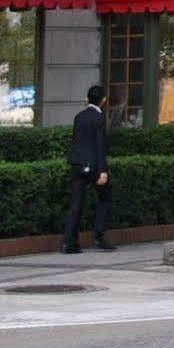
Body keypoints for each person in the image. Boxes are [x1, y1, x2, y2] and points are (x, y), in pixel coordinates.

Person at [62, 84, 114, 254]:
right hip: (92, 166)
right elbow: (100, 146)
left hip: (76, 164)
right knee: (105, 197)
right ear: (103, 100)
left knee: (75, 203)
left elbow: (77, 141)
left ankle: (69, 242)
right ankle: (98, 237)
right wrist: (103, 170)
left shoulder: (78, 116)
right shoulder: (99, 119)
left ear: (87, 99)